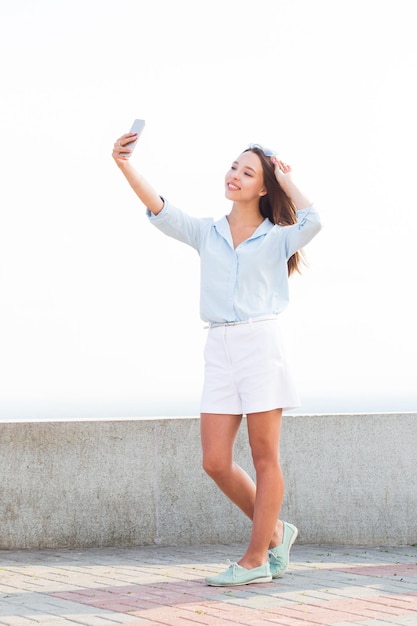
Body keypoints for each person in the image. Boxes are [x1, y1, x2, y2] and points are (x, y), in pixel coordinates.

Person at [112, 130, 322, 587]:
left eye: (248, 172)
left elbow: (313, 220)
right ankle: (277, 533)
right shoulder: (206, 232)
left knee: (266, 456)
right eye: (234, 167)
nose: (235, 175)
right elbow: (161, 210)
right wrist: (124, 164)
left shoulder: (276, 239)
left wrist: (285, 178)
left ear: (263, 188)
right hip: (219, 346)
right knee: (214, 460)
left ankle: (255, 559)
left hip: (260, 344)